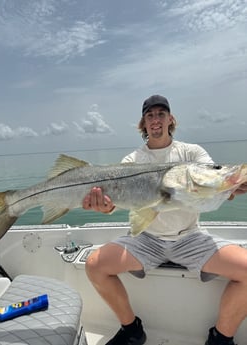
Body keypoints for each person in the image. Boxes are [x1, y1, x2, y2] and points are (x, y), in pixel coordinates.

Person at [82, 95, 247, 345]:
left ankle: (221, 338)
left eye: (161, 114)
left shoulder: (191, 152)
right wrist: (103, 207)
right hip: (146, 238)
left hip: (189, 237)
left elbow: (208, 181)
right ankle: (132, 330)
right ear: (143, 123)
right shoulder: (131, 161)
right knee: (94, 265)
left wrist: (229, 187)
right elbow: (112, 204)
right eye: (150, 115)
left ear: (170, 119)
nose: (156, 119)